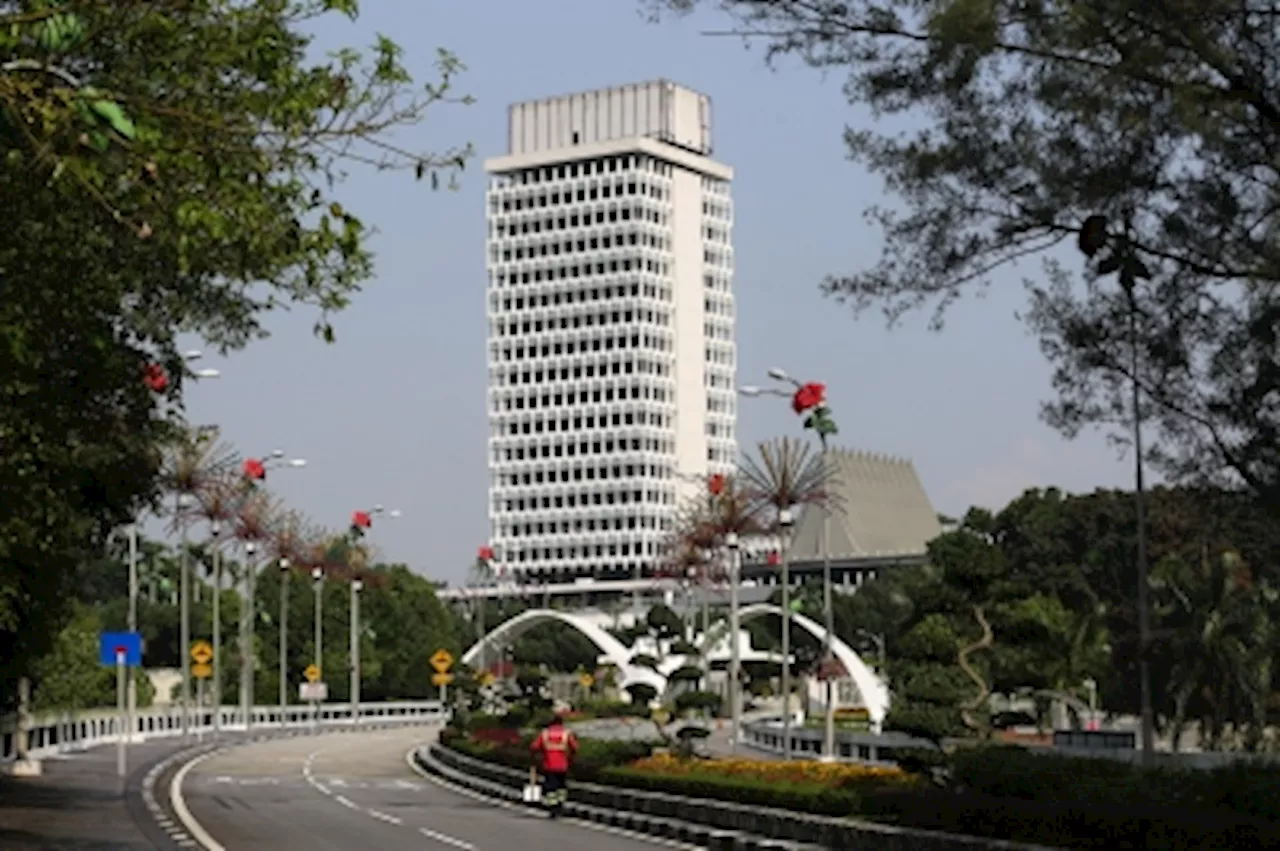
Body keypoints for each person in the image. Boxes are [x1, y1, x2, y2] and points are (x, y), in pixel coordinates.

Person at [530, 713, 578, 817]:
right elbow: (574, 748)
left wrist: (539, 756)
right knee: (561, 787)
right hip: (563, 765)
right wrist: (570, 758)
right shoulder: (566, 733)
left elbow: (534, 747)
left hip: (549, 765)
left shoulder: (545, 733)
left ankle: (552, 808)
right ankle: (560, 806)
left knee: (551, 787)